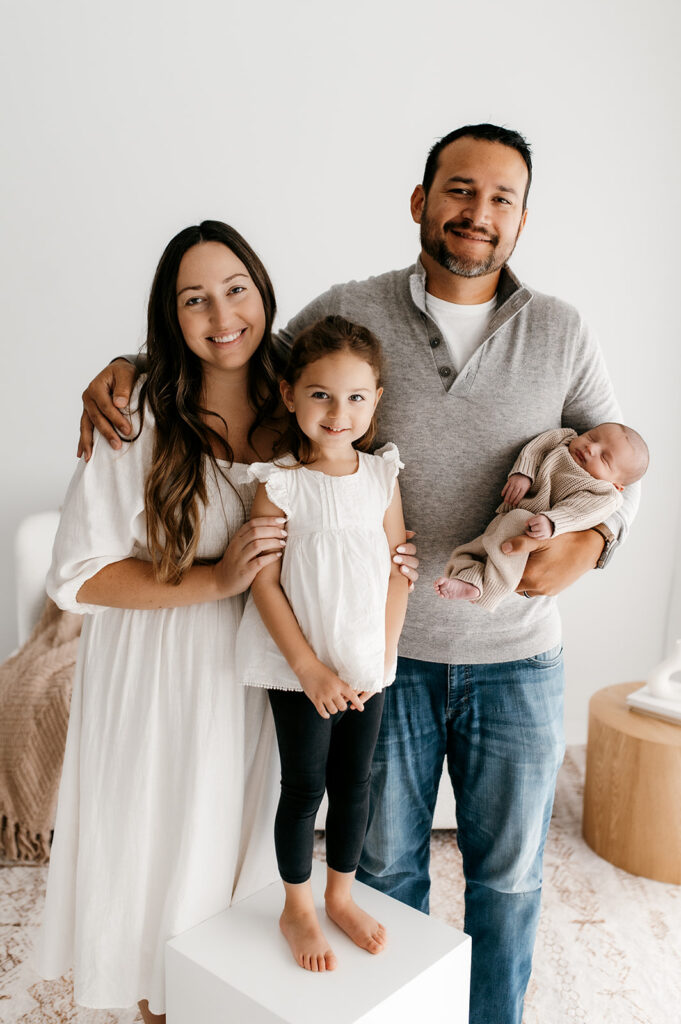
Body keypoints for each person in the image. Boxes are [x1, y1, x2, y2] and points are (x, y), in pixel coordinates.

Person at [77, 124, 640, 1024]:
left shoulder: (562, 331)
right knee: (380, 874)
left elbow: (619, 464)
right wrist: (132, 367)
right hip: (383, 655)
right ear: (420, 202)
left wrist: (594, 544)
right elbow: (238, 355)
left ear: (523, 218)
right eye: (459, 190)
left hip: (517, 658)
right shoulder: (353, 307)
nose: (477, 213)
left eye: (501, 198)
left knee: (508, 877)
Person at [37, 221, 295, 1024]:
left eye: (235, 290)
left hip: (254, 678)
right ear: (169, 317)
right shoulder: (135, 415)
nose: (222, 315)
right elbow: (80, 574)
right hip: (154, 673)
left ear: (262, 293)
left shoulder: (303, 405)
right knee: (152, 867)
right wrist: (216, 579)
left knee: (230, 871)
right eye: (195, 300)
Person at [236, 314, 409, 972]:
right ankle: (297, 907)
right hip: (298, 670)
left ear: (376, 401)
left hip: (367, 666)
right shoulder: (280, 485)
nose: (339, 412)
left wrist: (382, 659)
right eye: (321, 395)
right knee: (305, 786)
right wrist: (307, 668)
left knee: (355, 782)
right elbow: (264, 584)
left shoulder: (381, 476)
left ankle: (341, 894)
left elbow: (400, 569)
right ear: (289, 395)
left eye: (356, 397)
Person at [435, 423, 648, 609]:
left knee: (507, 547)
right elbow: (535, 449)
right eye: (592, 437)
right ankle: (468, 581)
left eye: (604, 458)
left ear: (617, 485)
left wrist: (552, 522)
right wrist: (523, 473)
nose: (591, 448)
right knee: (470, 551)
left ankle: (490, 590)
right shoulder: (564, 438)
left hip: (532, 534)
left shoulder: (604, 494)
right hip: (503, 522)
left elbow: (579, 513)